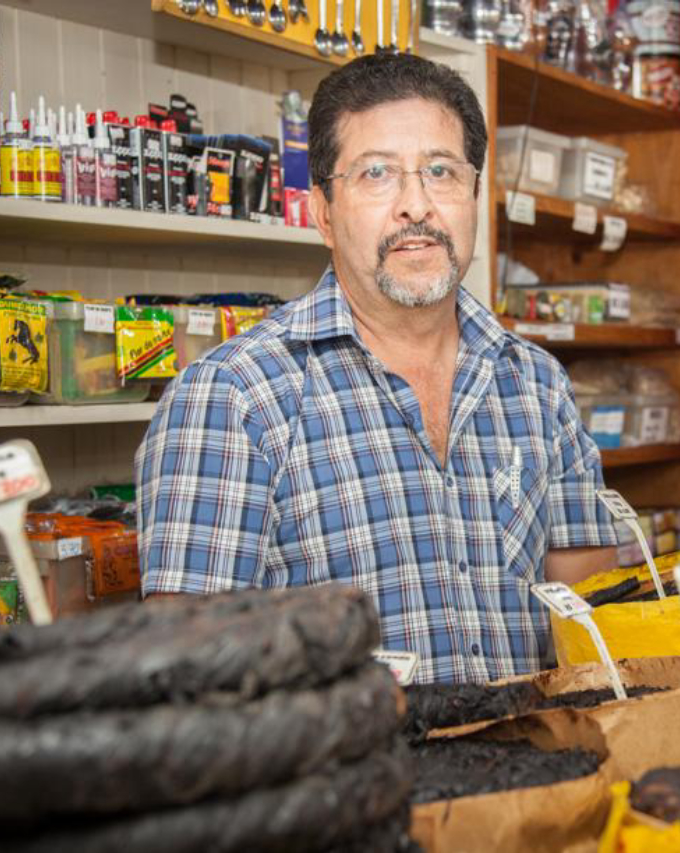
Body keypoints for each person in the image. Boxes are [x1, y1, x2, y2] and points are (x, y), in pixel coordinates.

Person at [135, 52, 618, 684]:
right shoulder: (231, 398)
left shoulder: (537, 383)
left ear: (474, 194)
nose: (415, 205)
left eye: (441, 172)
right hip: (347, 778)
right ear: (324, 215)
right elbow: (190, 677)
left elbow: (593, 624)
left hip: (536, 767)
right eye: (377, 174)